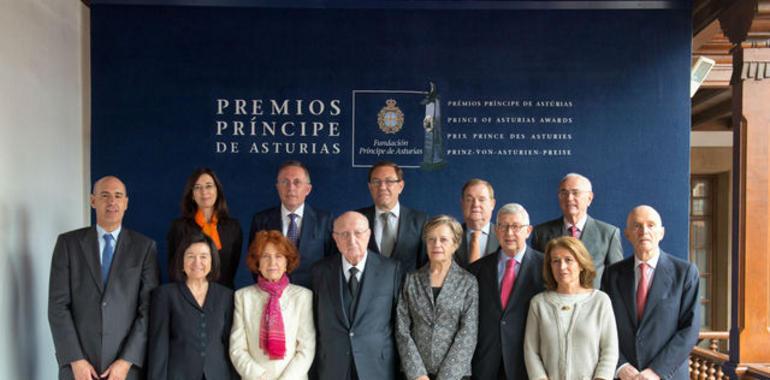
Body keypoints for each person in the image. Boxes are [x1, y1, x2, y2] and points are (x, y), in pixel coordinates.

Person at [48, 176, 160, 380]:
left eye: (118, 196)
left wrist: (126, 361)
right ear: (92, 201)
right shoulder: (67, 244)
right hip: (78, 369)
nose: (112, 202)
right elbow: (58, 306)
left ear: (126, 203)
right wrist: (76, 359)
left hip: (125, 370)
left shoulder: (144, 247)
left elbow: (148, 309)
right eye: (105, 195)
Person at [601, 206, 700, 380]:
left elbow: (689, 329)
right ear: (627, 234)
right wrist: (620, 365)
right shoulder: (612, 274)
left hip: (667, 375)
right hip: (624, 376)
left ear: (661, 233)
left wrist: (656, 371)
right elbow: (603, 326)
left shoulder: (684, 273)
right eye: (637, 226)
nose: (644, 231)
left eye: (651, 225)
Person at [312, 211, 401, 380]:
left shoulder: (391, 270)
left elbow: (399, 323)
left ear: (368, 235)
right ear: (335, 239)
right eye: (344, 234)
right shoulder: (319, 271)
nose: (352, 240)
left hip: (377, 367)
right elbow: (314, 322)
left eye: (358, 233)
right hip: (332, 367)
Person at [524, 236, 618, 380]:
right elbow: (531, 351)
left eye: (568, 260)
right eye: (555, 261)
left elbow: (610, 350)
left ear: (581, 264)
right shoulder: (539, 303)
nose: (562, 267)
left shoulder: (600, 301)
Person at [396, 215, 478, 380]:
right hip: (416, 374)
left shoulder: (468, 282)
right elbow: (402, 328)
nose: (436, 245)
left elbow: (468, 333)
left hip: (455, 375)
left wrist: (447, 376)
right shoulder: (411, 279)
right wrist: (417, 373)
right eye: (431, 239)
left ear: (455, 244)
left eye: (443, 240)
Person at [469, 203, 544, 380]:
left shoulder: (546, 267)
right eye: (503, 226)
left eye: (516, 227)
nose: (509, 233)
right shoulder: (476, 270)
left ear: (528, 231)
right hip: (486, 363)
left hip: (527, 363)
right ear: (496, 230)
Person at [148, 232, 236, 379]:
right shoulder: (165, 295)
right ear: (181, 261)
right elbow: (159, 347)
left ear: (212, 261)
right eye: (190, 256)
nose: (197, 262)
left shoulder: (226, 296)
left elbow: (229, 345)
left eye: (203, 256)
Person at [230, 230, 315, 380]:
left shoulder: (303, 296)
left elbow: (306, 348)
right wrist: (260, 377)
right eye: (265, 256)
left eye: (278, 256)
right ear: (257, 263)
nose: (272, 263)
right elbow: (237, 349)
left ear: (287, 262)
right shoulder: (242, 297)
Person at [249, 160, 333, 289]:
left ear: (308, 189)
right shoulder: (261, 220)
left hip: (313, 296)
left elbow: (331, 263)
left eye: (297, 182)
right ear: (278, 187)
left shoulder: (325, 220)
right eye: (285, 182)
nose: (291, 187)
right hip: (271, 295)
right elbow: (254, 262)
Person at [531, 173, 623, 288]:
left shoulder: (608, 233)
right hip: (554, 302)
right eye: (564, 193)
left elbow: (617, 278)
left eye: (575, 193)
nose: (569, 198)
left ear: (589, 198)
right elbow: (536, 276)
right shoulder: (541, 233)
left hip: (593, 303)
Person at [167, 168, 243, 288]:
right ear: (192, 194)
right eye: (197, 187)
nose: (204, 192)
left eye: (209, 186)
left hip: (224, 296)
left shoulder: (233, 227)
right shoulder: (179, 227)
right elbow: (174, 269)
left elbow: (232, 268)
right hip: (188, 296)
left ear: (217, 190)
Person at [356, 161, 428, 275]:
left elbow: (425, 265)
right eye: (376, 182)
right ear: (370, 187)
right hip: (367, 291)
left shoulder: (420, 221)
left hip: (407, 291)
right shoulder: (357, 219)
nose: (382, 187)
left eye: (389, 181)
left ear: (401, 186)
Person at [454, 178, 499, 267]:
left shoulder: (503, 236)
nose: (475, 205)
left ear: (492, 204)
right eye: (469, 200)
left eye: (481, 200)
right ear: (462, 203)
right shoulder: (451, 236)